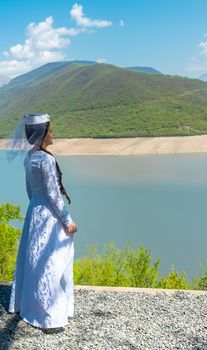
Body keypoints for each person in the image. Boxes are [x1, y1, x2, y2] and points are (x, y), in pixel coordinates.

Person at [8, 113, 77, 334]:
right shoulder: (46, 159)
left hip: (34, 213)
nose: (54, 133)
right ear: (42, 133)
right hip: (48, 217)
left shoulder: (29, 157)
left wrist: (35, 209)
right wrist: (67, 220)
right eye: (51, 130)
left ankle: (27, 305)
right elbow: (53, 195)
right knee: (51, 261)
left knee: (34, 260)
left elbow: (31, 190)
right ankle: (48, 316)